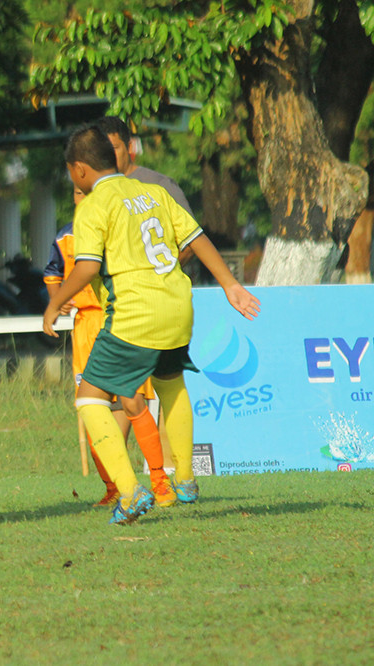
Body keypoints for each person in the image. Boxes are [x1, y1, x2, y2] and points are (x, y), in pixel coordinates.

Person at [42, 125, 260, 525]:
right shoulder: (153, 192)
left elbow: (88, 267)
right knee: (171, 381)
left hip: (135, 314)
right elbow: (197, 237)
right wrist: (231, 285)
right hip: (178, 306)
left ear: (79, 170)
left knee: (90, 398)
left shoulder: (92, 206)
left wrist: (55, 301)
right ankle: (187, 478)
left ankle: (128, 492)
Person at [43, 186, 176, 508]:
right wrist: (58, 301)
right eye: (75, 192)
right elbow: (52, 272)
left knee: (131, 401)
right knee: (92, 408)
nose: (82, 198)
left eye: (86, 192)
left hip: (123, 319)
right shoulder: (65, 238)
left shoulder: (120, 225)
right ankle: (115, 487)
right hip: (87, 328)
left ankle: (159, 482)